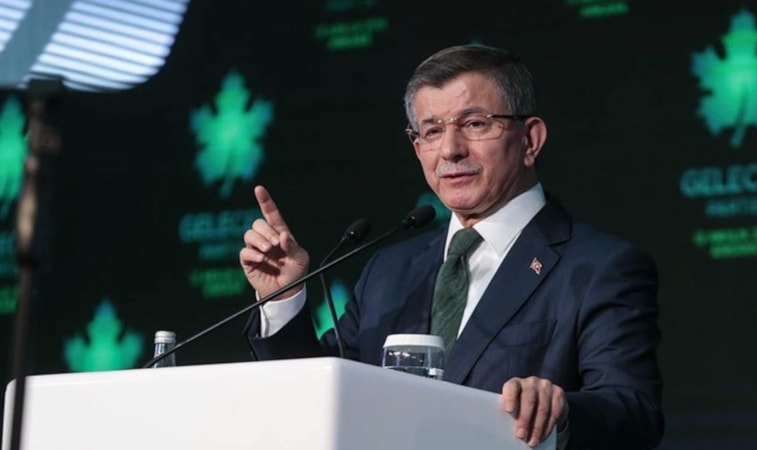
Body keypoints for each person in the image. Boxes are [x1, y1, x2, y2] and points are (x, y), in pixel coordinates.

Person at [240, 44, 663, 449]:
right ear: (417, 147)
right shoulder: (390, 270)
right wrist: (283, 298)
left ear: (530, 140)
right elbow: (318, 398)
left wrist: (560, 411)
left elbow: (633, 411)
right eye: (433, 130)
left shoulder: (600, 266)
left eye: (475, 124)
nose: (450, 149)